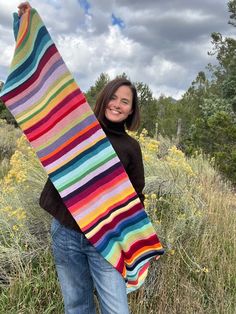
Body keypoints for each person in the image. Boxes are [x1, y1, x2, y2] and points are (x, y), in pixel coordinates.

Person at [18, 3, 145, 314]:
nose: (117, 104)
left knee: (117, 309)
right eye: (113, 97)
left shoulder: (131, 148)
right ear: (104, 98)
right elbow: (48, 86)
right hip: (66, 232)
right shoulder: (79, 125)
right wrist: (27, 26)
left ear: (131, 111)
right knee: (76, 306)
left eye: (125, 102)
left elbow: (136, 197)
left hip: (106, 239)